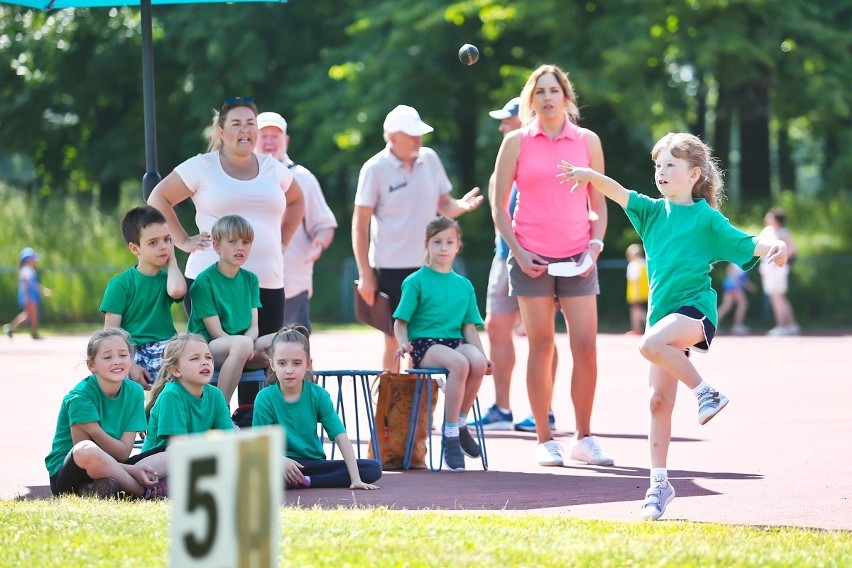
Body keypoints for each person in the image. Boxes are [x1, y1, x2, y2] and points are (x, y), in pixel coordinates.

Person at [558, 131, 789, 521]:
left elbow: (746, 242)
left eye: (670, 165)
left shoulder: (706, 219)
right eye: (658, 166)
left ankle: (706, 392)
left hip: (694, 312)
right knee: (657, 401)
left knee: (648, 344)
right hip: (661, 318)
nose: (661, 172)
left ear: (694, 173)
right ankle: (659, 484)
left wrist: (775, 249)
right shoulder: (650, 212)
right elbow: (617, 191)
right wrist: (588, 174)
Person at [492, 64, 612, 468]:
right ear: (531, 99)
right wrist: (518, 252)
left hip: (579, 257)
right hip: (531, 258)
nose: (547, 97)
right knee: (541, 347)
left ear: (566, 97)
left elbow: (599, 200)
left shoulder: (587, 141)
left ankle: (585, 437)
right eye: (539, 91)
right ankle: (545, 439)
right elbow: (498, 205)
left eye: (554, 91)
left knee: (586, 348)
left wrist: (594, 248)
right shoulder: (516, 142)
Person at [146, 96, 305, 346]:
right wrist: (183, 241)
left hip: (267, 280)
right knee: (214, 362)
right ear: (221, 131)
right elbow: (158, 197)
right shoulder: (202, 166)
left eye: (251, 123)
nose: (245, 130)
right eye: (236, 123)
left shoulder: (272, 167)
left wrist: (282, 242)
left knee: (264, 361)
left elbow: (297, 201)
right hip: (213, 283)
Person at [352, 104, 484, 373]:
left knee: (434, 337)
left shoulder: (430, 159)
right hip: (391, 268)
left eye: (419, 134)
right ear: (391, 137)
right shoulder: (374, 168)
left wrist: (461, 206)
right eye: (411, 134)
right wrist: (365, 273)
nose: (418, 139)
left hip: (432, 268)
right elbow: (360, 223)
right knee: (395, 339)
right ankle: (390, 406)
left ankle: (421, 409)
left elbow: (444, 204)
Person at [471, 96, 558, 432]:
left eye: (507, 118)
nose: (501, 125)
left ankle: (545, 411)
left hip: (539, 259)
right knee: (495, 326)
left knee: (543, 336)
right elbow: (499, 212)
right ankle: (502, 409)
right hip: (504, 256)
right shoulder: (505, 158)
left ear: (525, 118)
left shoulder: (544, 159)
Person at [393, 216, 492, 472]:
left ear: (458, 245)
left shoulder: (464, 285)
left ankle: (459, 422)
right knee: (459, 364)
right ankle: (449, 437)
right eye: (437, 242)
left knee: (477, 362)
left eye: (450, 242)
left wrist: (483, 355)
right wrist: (403, 343)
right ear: (427, 244)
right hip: (426, 344)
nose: (444, 247)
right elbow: (400, 322)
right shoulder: (415, 281)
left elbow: (469, 327)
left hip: (454, 340)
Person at [44, 328, 168, 499]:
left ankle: (102, 488)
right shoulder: (80, 397)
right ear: (91, 365)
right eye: (108, 357)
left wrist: (94, 429)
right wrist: (133, 470)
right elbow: (84, 457)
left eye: (123, 355)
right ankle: (145, 492)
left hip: (118, 464)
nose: (117, 361)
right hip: (73, 473)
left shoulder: (134, 391)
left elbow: (123, 452)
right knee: (86, 450)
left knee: (176, 450)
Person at [252, 326, 382, 489]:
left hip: (313, 466)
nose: (289, 370)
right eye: (282, 363)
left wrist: (356, 479)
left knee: (372, 468)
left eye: (297, 363)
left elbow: (341, 437)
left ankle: (307, 481)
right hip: (279, 463)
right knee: (253, 471)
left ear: (308, 364)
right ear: (272, 364)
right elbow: (257, 444)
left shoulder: (319, 395)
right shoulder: (265, 397)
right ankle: (294, 480)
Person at [255, 111, 337, 332]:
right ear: (253, 137)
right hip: (250, 280)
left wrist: (318, 245)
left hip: (292, 280)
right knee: (255, 349)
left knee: (295, 347)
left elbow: (324, 225)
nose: (270, 142)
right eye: (264, 136)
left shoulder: (302, 178)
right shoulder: (242, 175)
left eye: (275, 136)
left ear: (286, 141)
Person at [187, 215, 276, 405]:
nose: (240, 247)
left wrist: (248, 345)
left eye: (245, 242)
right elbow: (216, 332)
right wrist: (244, 345)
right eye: (233, 242)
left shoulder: (251, 279)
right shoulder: (204, 281)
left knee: (284, 341)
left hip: (243, 346)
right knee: (242, 345)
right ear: (217, 246)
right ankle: (219, 412)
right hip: (208, 348)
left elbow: (254, 327)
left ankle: (279, 411)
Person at [100, 206, 186, 389]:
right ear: (135, 248)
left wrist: (172, 261)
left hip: (166, 347)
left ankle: (175, 413)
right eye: (153, 242)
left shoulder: (167, 279)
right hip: (133, 351)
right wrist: (130, 365)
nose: (163, 246)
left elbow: (178, 291)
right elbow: (110, 333)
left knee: (192, 349)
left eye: (167, 240)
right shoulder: (121, 284)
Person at [142, 333, 233, 453]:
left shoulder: (215, 394)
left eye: (208, 357)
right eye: (195, 358)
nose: (205, 362)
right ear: (175, 370)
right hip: (156, 463)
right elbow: (178, 448)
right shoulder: (171, 395)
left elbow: (227, 439)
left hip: (193, 457)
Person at [759, 207, 799, 336]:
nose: (766, 218)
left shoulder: (783, 232)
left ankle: (782, 326)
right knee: (779, 296)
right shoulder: (768, 231)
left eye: (769, 216)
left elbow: (792, 249)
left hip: (776, 269)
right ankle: (791, 325)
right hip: (769, 269)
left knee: (776, 296)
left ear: (776, 220)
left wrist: (780, 261)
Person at [4, 247, 51, 340]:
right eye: (34, 259)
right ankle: (34, 333)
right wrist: (27, 296)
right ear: (28, 260)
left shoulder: (28, 269)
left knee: (27, 315)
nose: (35, 261)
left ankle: (10, 328)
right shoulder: (26, 269)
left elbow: (34, 284)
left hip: (30, 295)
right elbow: (26, 284)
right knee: (33, 314)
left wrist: (43, 290)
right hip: (29, 295)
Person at [716, 262, 753, 335]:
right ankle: (737, 326)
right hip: (734, 286)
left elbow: (742, 279)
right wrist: (737, 284)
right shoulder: (739, 261)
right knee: (743, 304)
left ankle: (713, 324)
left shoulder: (742, 261)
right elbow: (730, 271)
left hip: (730, 285)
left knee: (726, 306)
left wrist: (750, 286)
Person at [625, 243, 649, 335]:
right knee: (640, 310)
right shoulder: (645, 263)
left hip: (636, 293)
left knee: (635, 310)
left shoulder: (633, 265)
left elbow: (634, 279)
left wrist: (635, 294)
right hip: (646, 292)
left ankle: (637, 329)